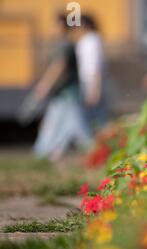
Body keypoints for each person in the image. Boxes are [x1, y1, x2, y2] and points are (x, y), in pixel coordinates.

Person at [33, 13, 92, 161]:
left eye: (55, 25)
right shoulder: (65, 44)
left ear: (61, 26)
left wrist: (45, 85)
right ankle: (49, 152)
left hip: (68, 93)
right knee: (64, 123)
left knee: (74, 123)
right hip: (63, 93)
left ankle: (93, 150)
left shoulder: (65, 45)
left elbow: (59, 66)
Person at [75, 15, 109, 129]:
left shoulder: (92, 41)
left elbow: (95, 66)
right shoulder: (87, 41)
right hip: (88, 81)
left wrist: (95, 88)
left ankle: (101, 141)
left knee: (96, 115)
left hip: (92, 81)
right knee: (92, 115)